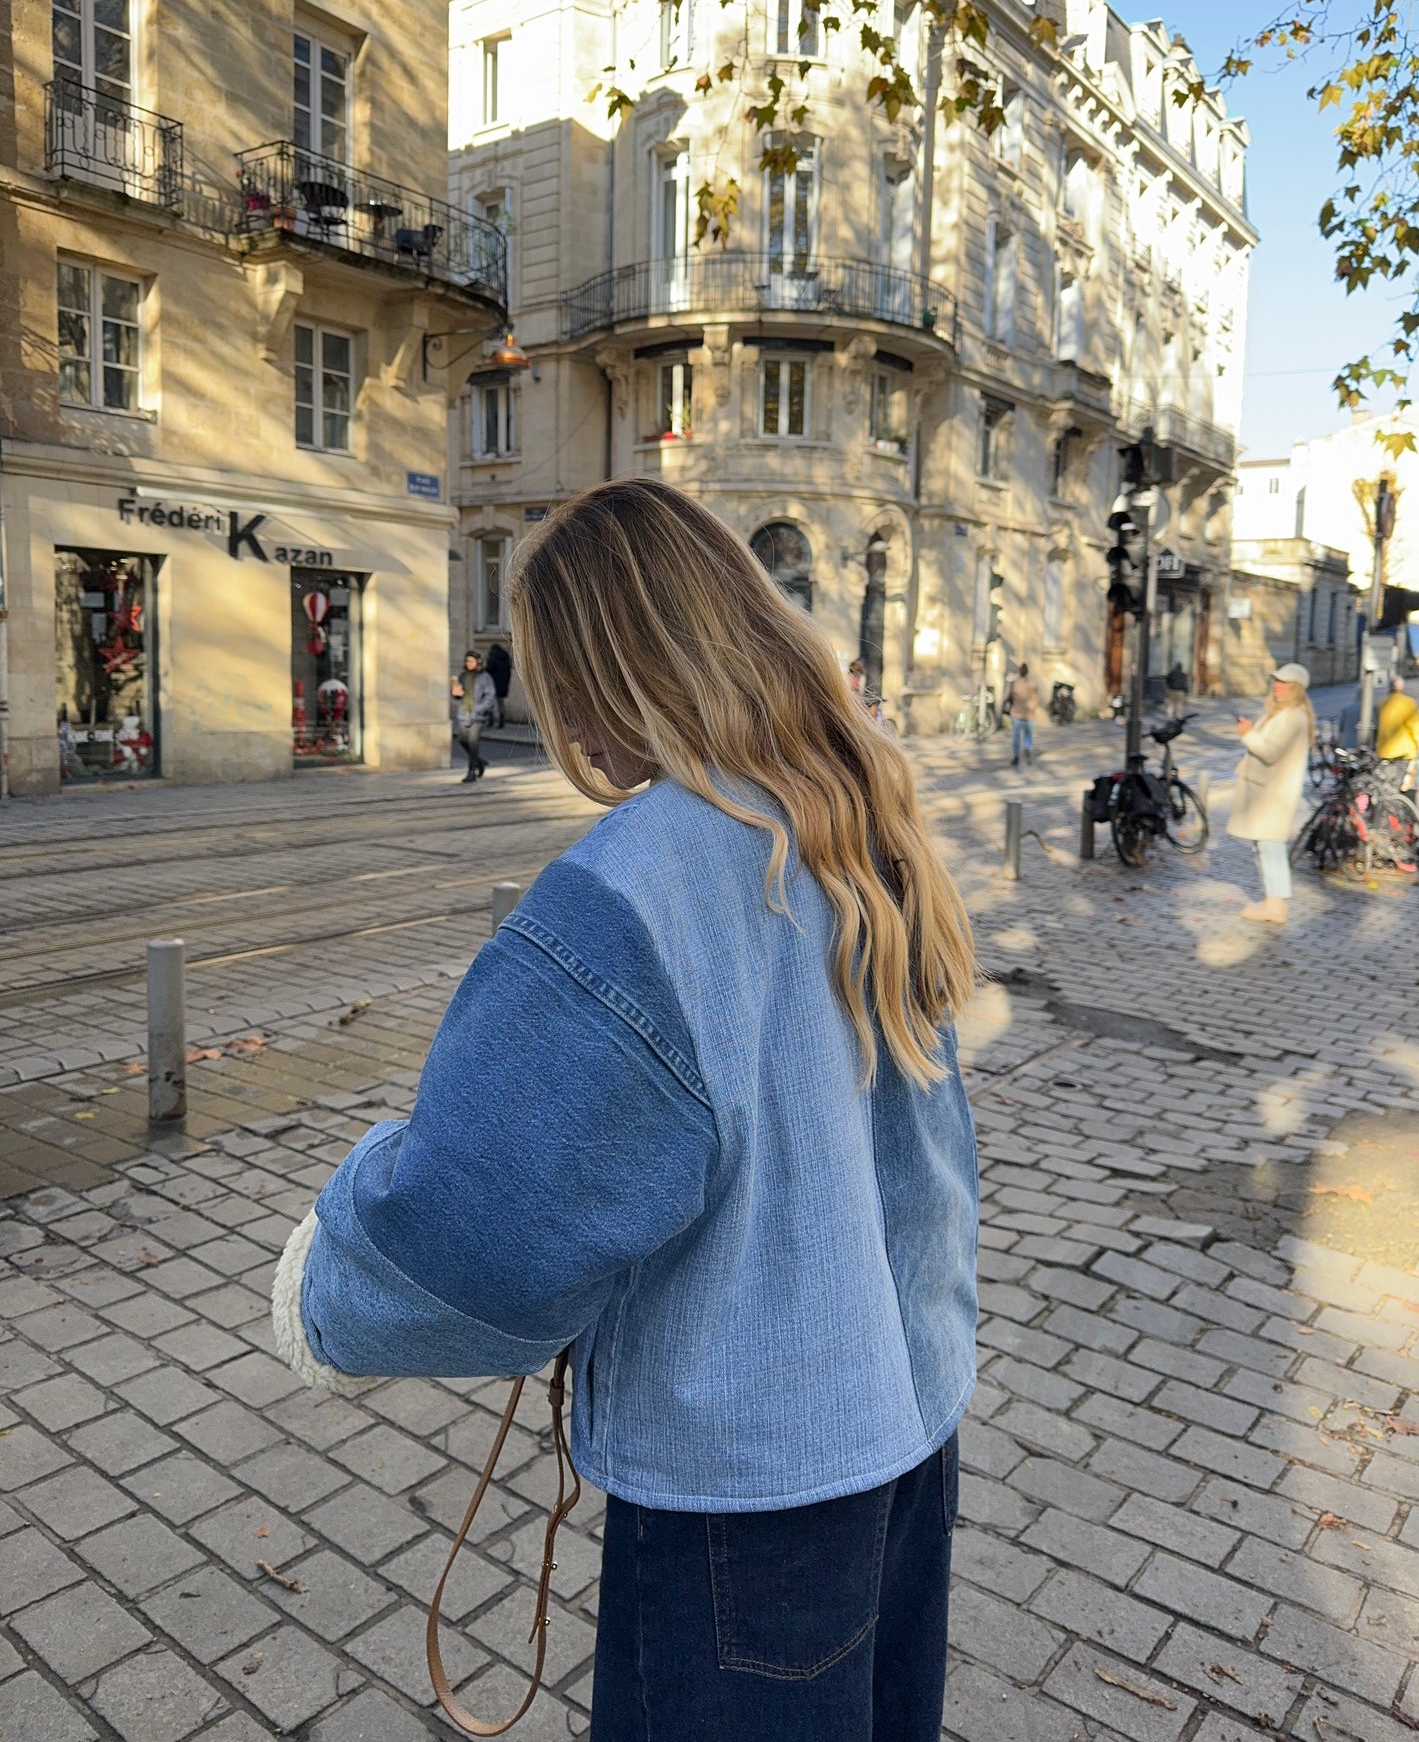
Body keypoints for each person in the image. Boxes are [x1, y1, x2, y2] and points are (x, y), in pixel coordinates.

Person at [273, 478, 980, 1742]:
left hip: (744, 1497)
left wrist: (322, 1291)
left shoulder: (645, 873)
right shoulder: (852, 817)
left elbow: (480, 1231)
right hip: (904, 1431)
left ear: (596, 675)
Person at [1227, 662, 1314, 925]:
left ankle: (1275, 905)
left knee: (1270, 847)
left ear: (1296, 689)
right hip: (1268, 791)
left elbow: (1270, 752)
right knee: (1265, 845)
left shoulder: (1292, 716)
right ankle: (1272, 901)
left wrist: (1248, 735)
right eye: (1276, 681)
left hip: (1273, 795)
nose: (1277, 686)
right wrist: (1253, 731)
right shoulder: (1282, 713)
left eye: (1284, 683)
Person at [1375, 673, 1419, 794]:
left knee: (1387, 784)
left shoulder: (1381, 703)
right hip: (1404, 752)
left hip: (1385, 751)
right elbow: (1416, 726)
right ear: (1402, 688)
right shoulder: (1408, 703)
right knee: (1403, 784)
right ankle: (1400, 808)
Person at [450, 650, 494, 783]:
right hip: (464, 715)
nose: (468, 663)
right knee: (463, 740)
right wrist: (456, 694)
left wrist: (478, 709)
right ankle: (479, 762)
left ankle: (471, 771)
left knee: (473, 742)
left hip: (478, 717)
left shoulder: (485, 677)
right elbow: (459, 696)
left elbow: (490, 696)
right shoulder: (463, 676)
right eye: (467, 661)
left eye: (471, 661)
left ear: (478, 662)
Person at [1006, 661, 1040, 766]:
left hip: (1017, 713)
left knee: (1016, 737)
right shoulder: (1032, 683)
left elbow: (1008, 696)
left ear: (1019, 672)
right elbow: (1036, 698)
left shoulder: (1015, 683)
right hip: (1029, 714)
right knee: (1028, 735)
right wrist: (1032, 708)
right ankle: (1027, 750)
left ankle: (1016, 756)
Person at [485, 638, 513, 728]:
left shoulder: (492, 657)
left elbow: (488, 670)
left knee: (491, 702)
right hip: (503, 683)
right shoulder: (506, 657)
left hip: (493, 683)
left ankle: (491, 720)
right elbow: (509, 671)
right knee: (500, 702)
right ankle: (501, 720)